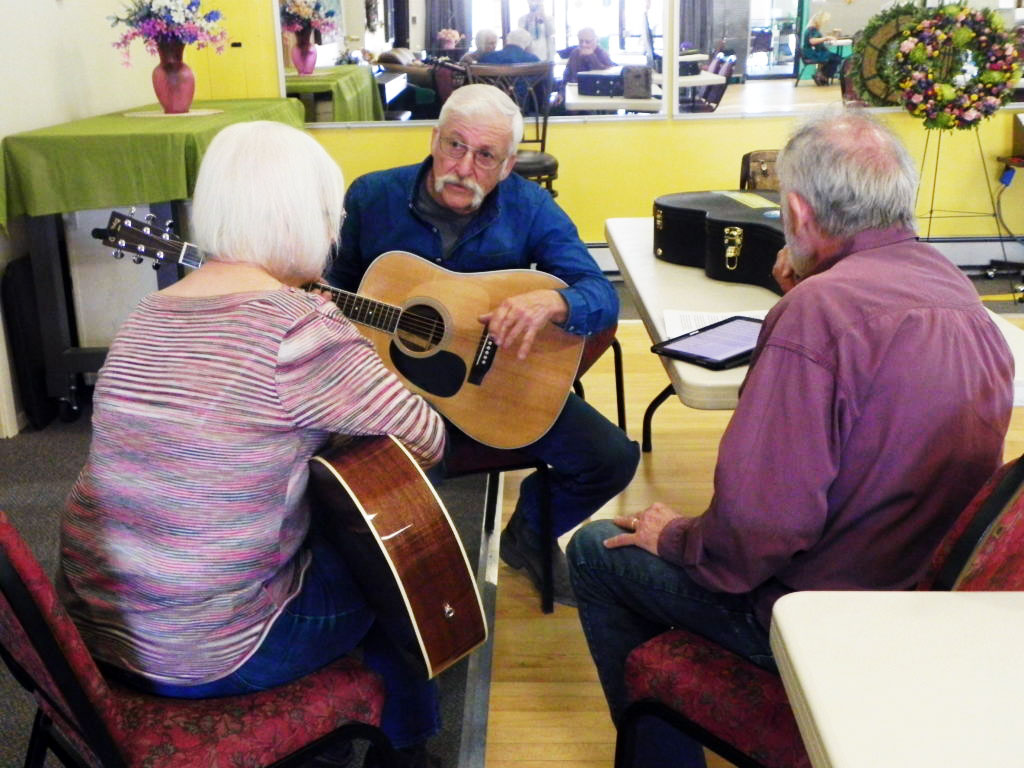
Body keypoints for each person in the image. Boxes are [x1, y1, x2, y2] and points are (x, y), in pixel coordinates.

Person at [568, 107, 1015, 766]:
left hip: (824, 618)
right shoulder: (961, 297)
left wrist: (680, 537)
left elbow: (759, 532)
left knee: (597, 549)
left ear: (800, 215)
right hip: (927, 604)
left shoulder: (816, 315)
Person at [58, 121, 447, 768]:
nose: (333, 233)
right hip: (207, 654)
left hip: (93, 638)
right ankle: (406, 747)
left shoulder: (142, 319)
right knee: (392, 563)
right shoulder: (300, 330)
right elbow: (425, 438)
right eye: (330, 215)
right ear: (300, 218)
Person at [326, 84, 640, 607]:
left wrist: (554, 305)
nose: (464, 167)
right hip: (389, 391)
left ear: (508, 164)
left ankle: (529, 535)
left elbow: (600, 295)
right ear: (433, 139)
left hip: (499, 391)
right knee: (369, 489)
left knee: (610, 459)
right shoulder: (370, 197)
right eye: (454, 145)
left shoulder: (531, 208)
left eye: (486, 155)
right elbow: (332, 291)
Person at [801, 11, 842, 85]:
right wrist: (826, 38)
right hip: (811, 54)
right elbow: (812, 41)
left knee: (835, 57)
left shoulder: (812, 29)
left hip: (812, 52)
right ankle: (822, 75)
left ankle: (821, 74)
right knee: (836, 58)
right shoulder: (811, 29)